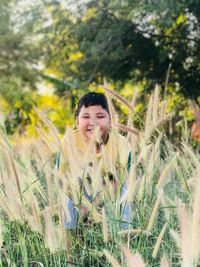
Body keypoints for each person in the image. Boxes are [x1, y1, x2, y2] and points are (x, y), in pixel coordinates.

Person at [57, 92, 132, 229]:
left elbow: (120, 181)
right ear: (77, 121)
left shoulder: (121, 144)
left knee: (125, 196)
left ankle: (119, 238)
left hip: (110, 190)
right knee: (66, 205)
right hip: (78, 191)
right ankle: (72, 242)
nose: (93, 122)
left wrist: (94, 208)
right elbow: (63, 180)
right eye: (86, 116)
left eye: (100, 116)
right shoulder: (68, 142)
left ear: (111, 120)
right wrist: (83, 208)